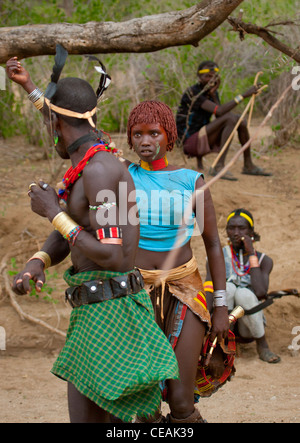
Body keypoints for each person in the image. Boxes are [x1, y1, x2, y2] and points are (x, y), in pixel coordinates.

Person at [6, 50, 179, 423]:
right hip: (92, 314)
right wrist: (39, 261)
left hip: (114, 316)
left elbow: (114, 257)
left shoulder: (100, 171)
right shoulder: (89, 160)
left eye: (50, 123)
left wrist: (53, 212)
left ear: (58, 127)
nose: (48, 128)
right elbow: (75, 229)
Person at [124, 100, 229, 423]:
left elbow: (212, 243)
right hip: (135, 291)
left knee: (182, 401)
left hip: (185, 288)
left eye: (154, 133)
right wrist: (31, 89)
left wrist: (221, 305)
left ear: (169, 136)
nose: (145, 141)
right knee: (141, 402)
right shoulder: (121, 176)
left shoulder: (191, 180)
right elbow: (74, 130)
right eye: (138, 134)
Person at [204, 208, 280, 363]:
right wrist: (204, 319)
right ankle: (222, 344)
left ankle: (262, 345)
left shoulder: (264, 260)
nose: (236, 232)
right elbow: (210, 288)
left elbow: (260, 292)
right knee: (229, 288)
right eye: (231, 228)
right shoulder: (216, 256)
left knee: (243, 294)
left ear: (251, 232)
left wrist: (251, 253)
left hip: (248, 325)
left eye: (242, 228)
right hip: (222, 321)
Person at [176, 60, 272, 180]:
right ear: (199, 77)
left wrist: (214, 94)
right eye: (207, 76)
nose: (211, 80)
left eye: (214, 77)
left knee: (239, 120)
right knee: (231, 118)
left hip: (200, 140)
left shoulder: (210, 93)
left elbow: (219, 117)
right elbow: (221, 112)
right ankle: (219, 166)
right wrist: (243, 96)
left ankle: (248, 165)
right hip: (189, 144)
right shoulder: (193, 92)